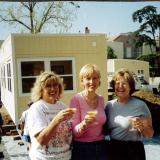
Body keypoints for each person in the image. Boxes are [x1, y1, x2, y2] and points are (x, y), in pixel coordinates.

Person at [105, 68, 154, 160]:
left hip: (133, 151)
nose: (120, 86)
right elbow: (104, 130)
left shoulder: (140, 105)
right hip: (113, 150)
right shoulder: (109, 105)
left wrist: (141, 127)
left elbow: (149, 134)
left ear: (130, 86)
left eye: (124, 83)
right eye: (117, 83)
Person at [27, 71, 76, 160]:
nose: (53, 89)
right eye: (48, 86)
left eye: (55, 85)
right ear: (41, 90)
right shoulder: (36, 108)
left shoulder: (62, 106)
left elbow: (69, 134)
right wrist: (56, 120)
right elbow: (41, 140)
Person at [70, 64, 107, 160]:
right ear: (82, 81)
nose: (92, 82)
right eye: (88, 78)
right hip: (82, 148)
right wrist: (84, 123)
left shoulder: (101, 99)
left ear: (99, 80)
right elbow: (74, 133)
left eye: (95, 78)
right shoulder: (76, 99)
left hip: (101, 146)